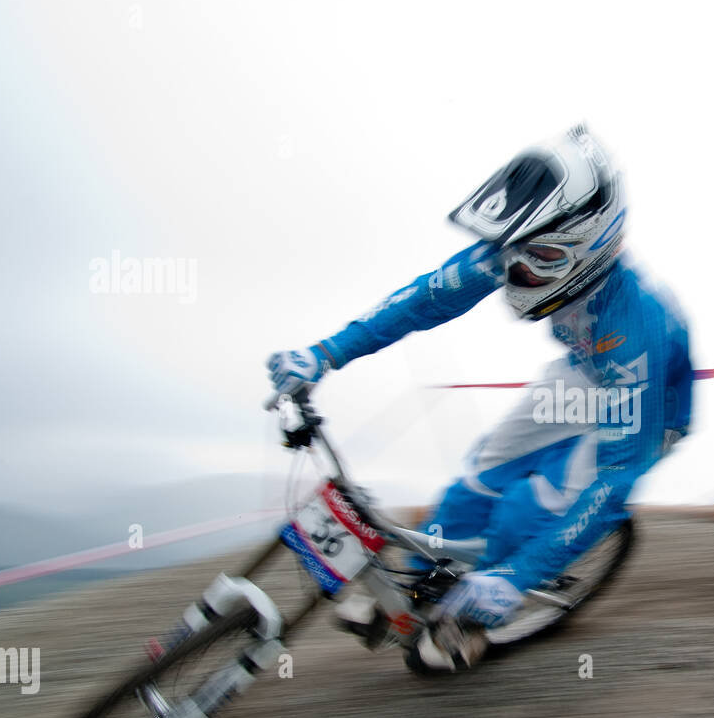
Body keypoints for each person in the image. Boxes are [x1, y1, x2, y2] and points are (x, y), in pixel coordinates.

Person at [267, 125, 692, 670]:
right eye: (511, 253)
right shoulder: (531, 240)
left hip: (649, 404)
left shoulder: (640, 328)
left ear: (587, 246)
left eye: (531, 259)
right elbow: (422, 302)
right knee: (477, 482)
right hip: (587, 371)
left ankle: (476, 617)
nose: (512, 269)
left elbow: (616, 479)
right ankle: (423, 590)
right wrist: (324, 353)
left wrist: (513, 581)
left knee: (526, 511)